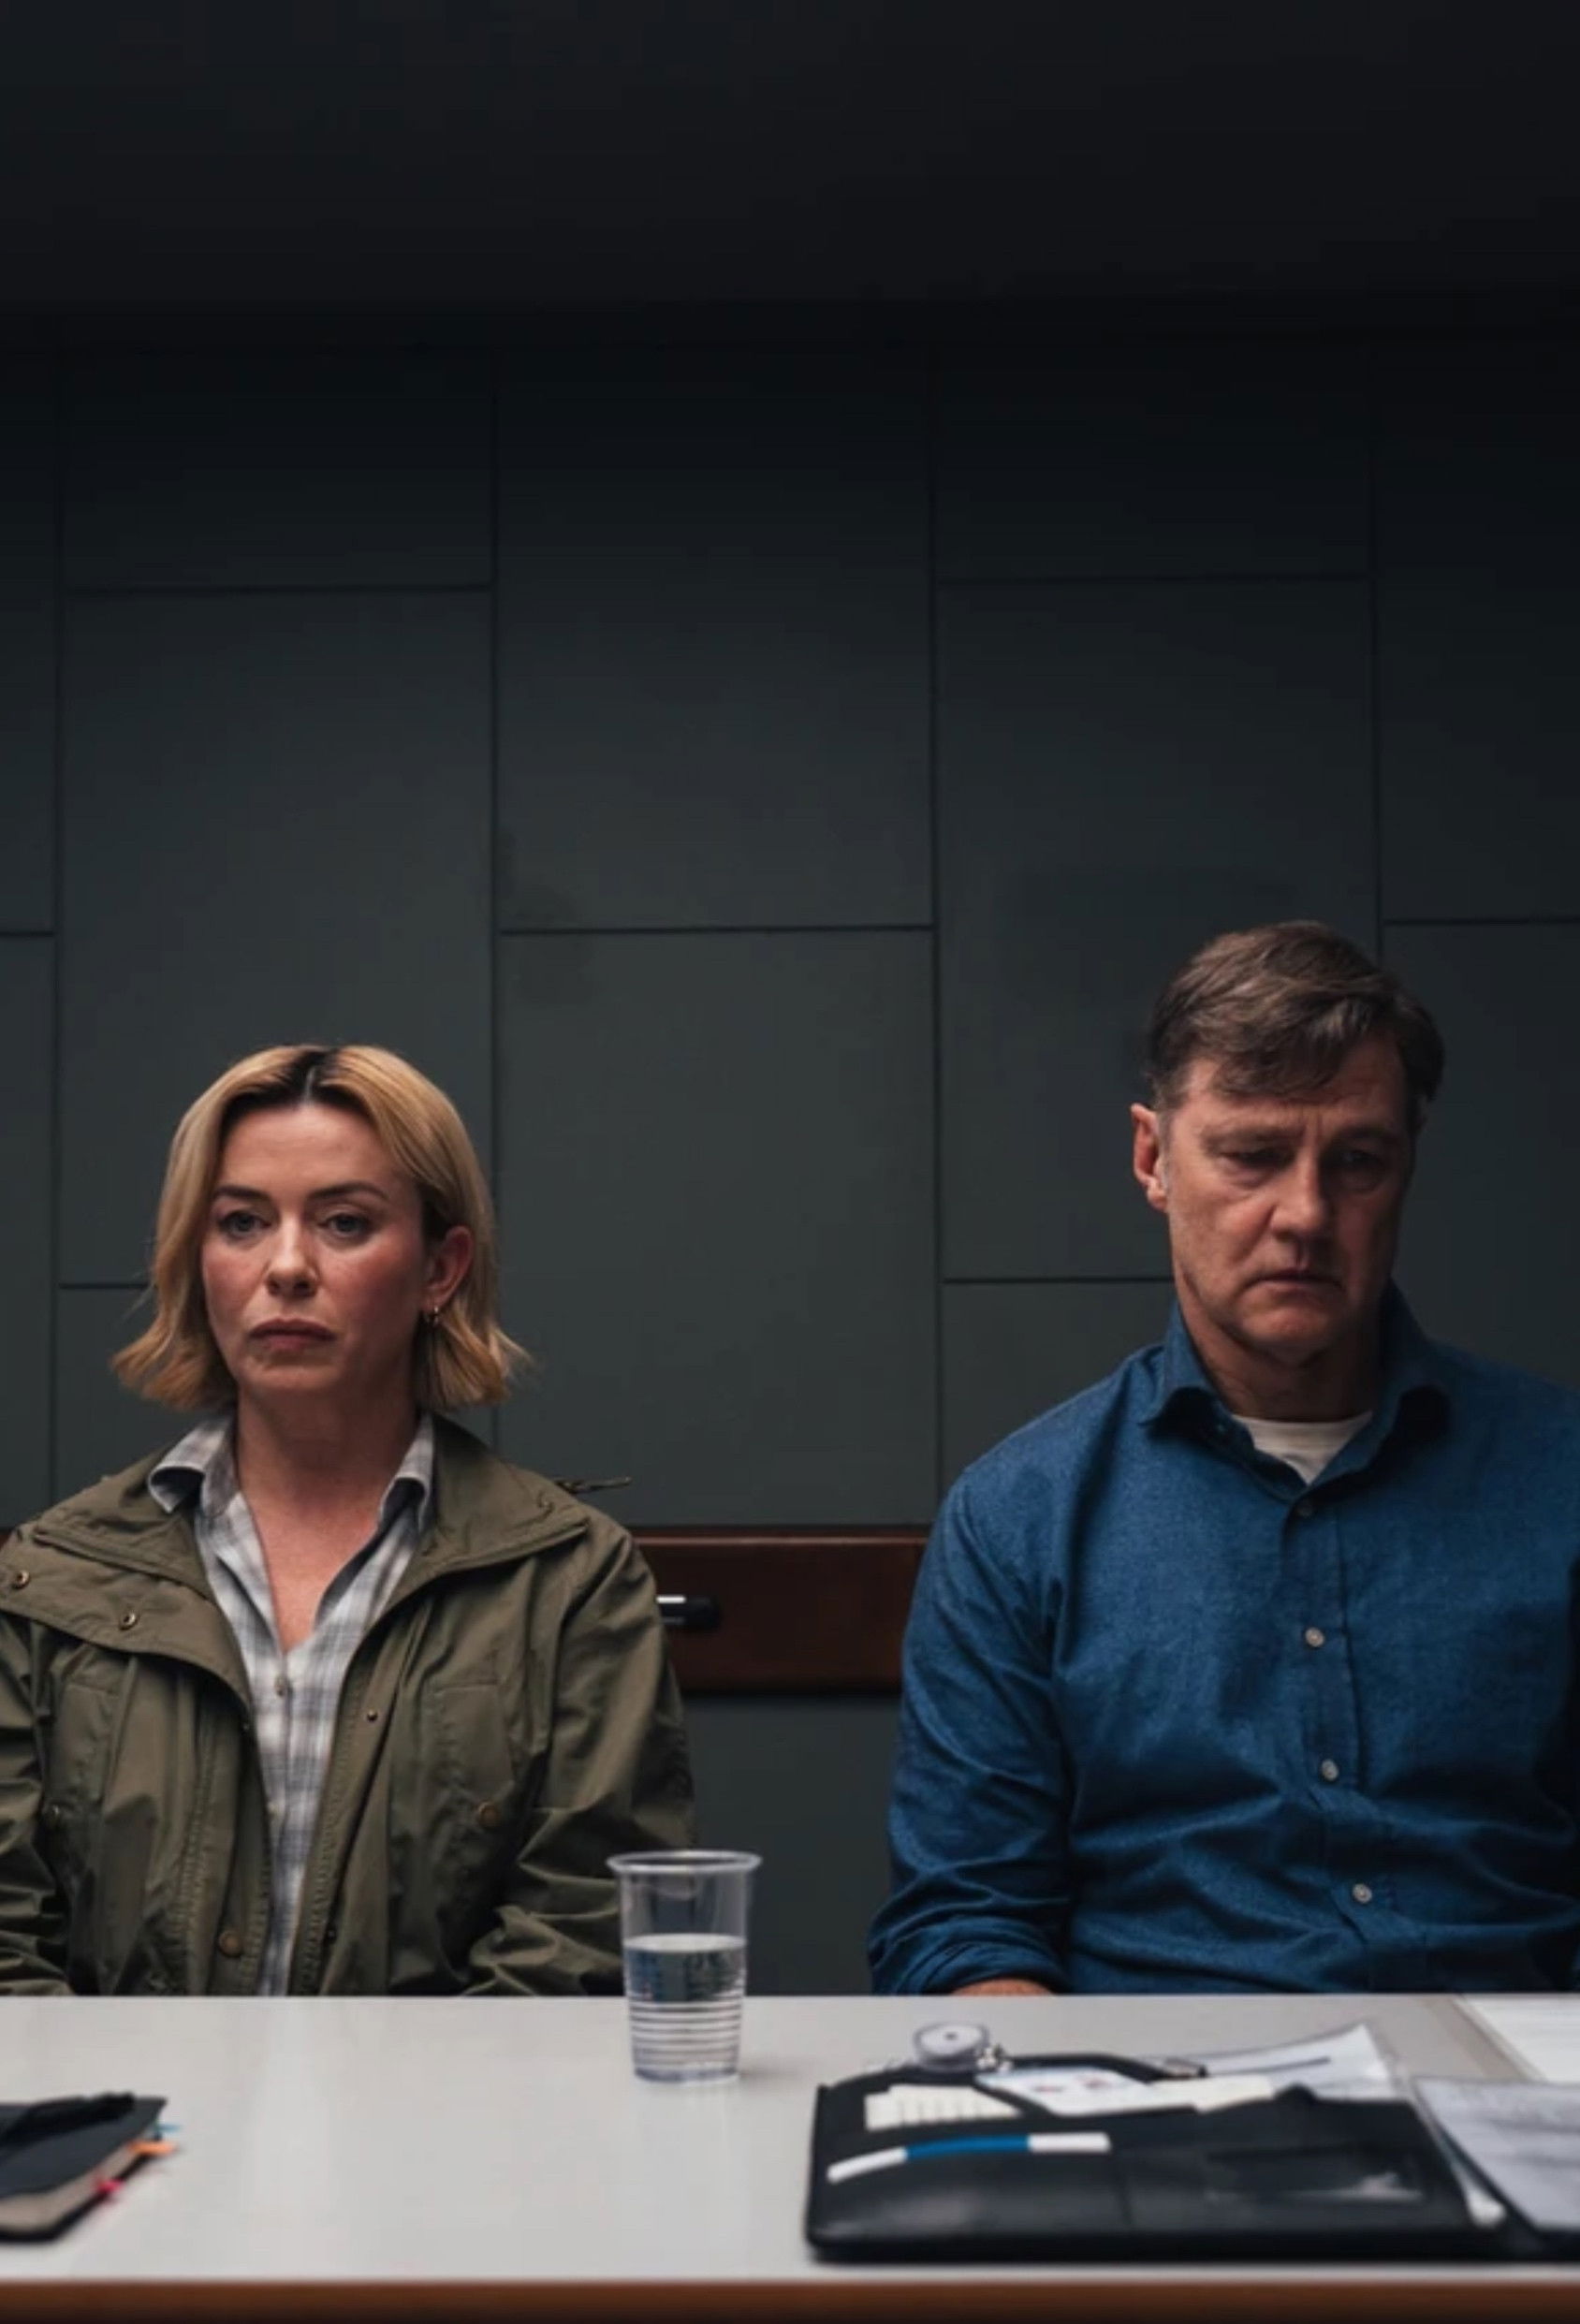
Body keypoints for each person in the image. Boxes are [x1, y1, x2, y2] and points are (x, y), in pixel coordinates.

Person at [870, 921, 1580, 1996]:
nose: (1304, 1213)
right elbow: (965, 1922)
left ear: (1406, 1165)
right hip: (1154, 2077)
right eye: (1251, 1154)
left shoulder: (1557, 1477)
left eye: (1356, 1161)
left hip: (1514, 2070)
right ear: (1152, 1159)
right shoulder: (1018, 1516)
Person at [0, 1044, 692, 1995]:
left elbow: (578, 1934)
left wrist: (390, 2096)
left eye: (344, 1223)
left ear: (440, 1267)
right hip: (115, 2098)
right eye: (242, 1222)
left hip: (458, 2096)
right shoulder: (50, 1577)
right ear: (198, 1260)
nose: (286, 1266)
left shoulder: (570, 1581)